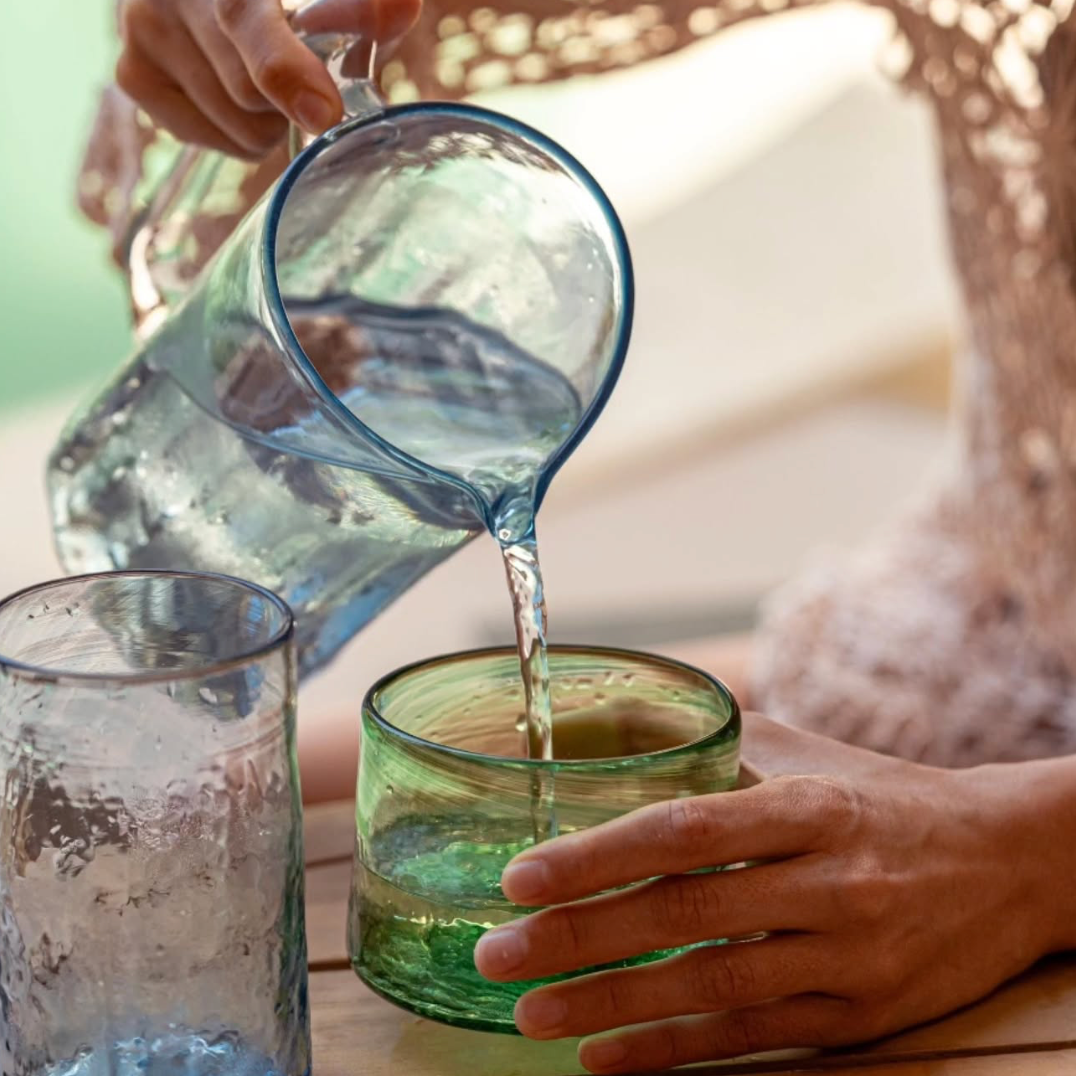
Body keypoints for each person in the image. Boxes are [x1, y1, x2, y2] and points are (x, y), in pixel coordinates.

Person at [94, 1, 1076, 1072]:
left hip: (1019, 841)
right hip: (969, 662)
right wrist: (264, 42)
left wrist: (1032, 856)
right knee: (154, 793)